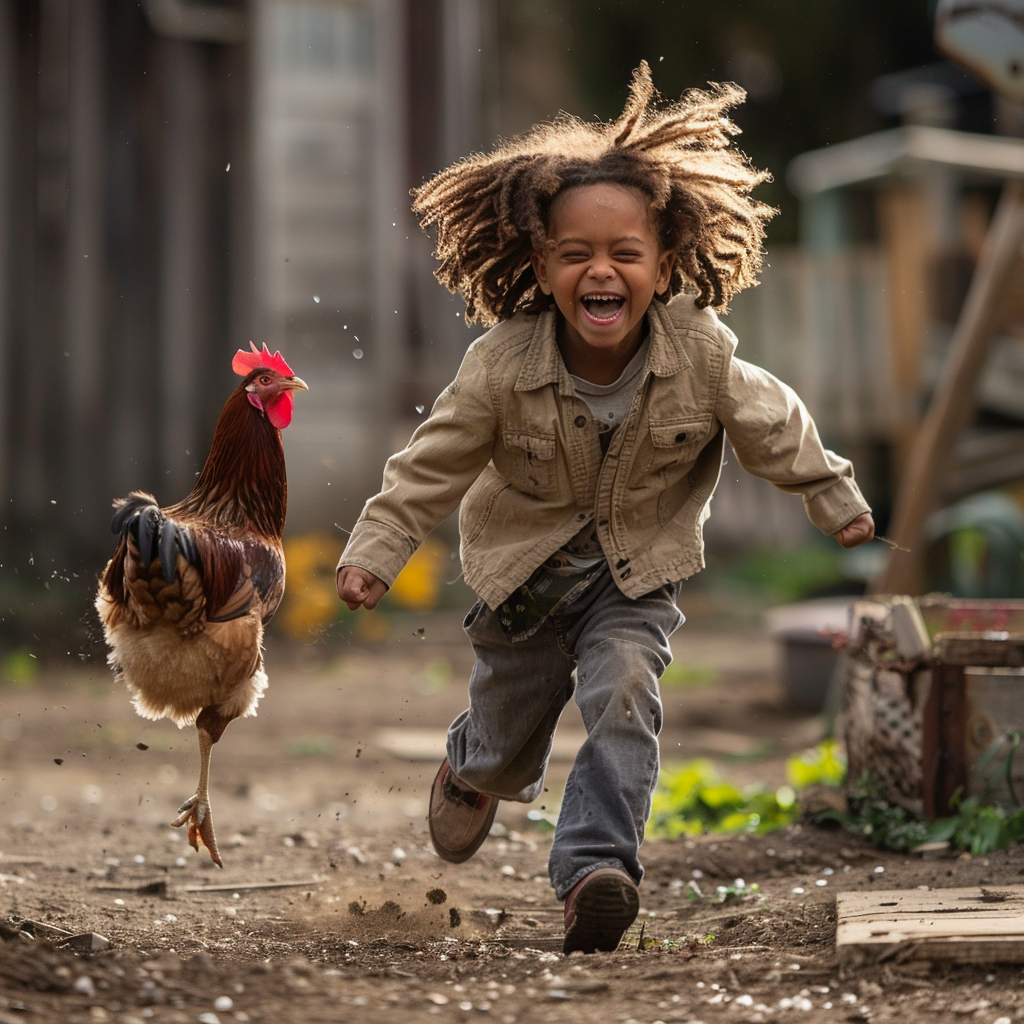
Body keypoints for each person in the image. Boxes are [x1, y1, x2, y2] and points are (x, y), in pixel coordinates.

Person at [336, 63, 875, 955]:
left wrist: (833, 495)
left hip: (635, 580)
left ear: (663, 266)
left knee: (626, 691)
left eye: (625, 253)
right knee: (506, 733)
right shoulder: (502, 366)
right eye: (577, 253)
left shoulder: (699, 352)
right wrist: (376, 551)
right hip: (522, 586)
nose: (602, 270)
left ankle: (595, 870)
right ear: (542, 265)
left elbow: (771, 420)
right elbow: (429, 464)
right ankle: (472, 765)